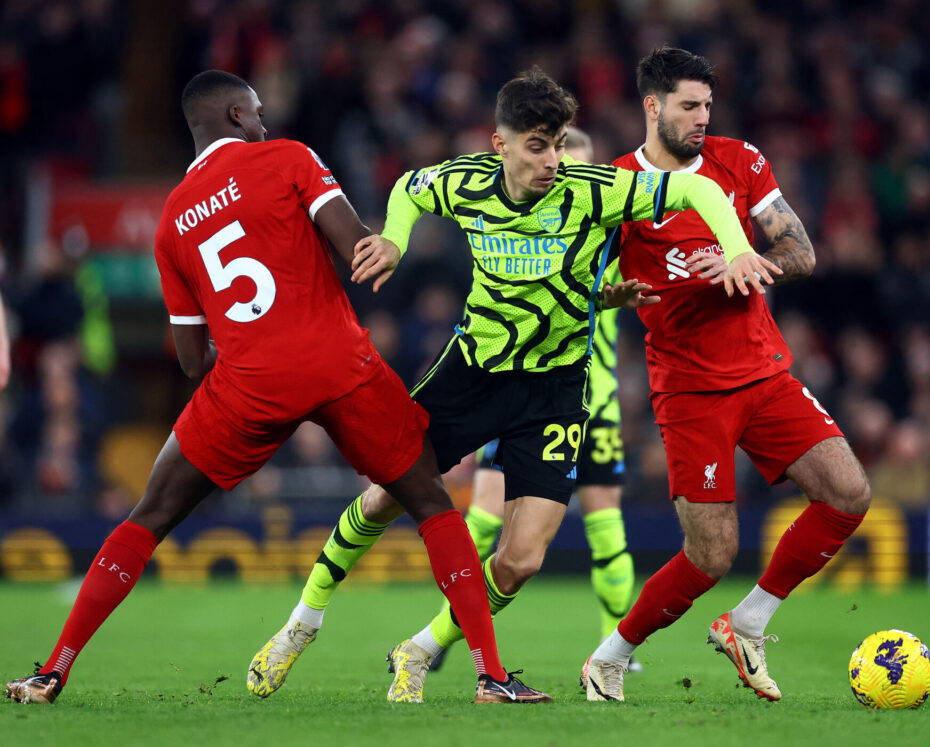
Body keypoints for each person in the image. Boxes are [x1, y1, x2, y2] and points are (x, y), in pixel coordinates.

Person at [4, 70, 548, 706]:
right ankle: (491, 676)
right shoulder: (289, 157)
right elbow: (356, 248)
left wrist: (241, 345)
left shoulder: (172, 220)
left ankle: (52, 673)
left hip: (250, 382)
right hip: (338, 363)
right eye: (256, 112)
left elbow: (187, 358)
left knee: (148, 515)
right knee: (429, 503)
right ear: (236, 114)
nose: (263, 121)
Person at [248, 67, 778, 704]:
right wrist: (392, 240)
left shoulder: (595, 190)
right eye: (537, 145)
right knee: (388, 495)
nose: (553, 159)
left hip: (554, 389)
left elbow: (700, 195)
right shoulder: (464, 181)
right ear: (500, 145)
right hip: (473, 373)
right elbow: (409, 189)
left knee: (523, 559)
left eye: (557, 143)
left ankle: (419, 649)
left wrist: (736, 247)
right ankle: (301, 624)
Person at [581, 46, 871, 703]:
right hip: (688, 387)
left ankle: (748, 622)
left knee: (848, 494)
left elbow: (801, 248)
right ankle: (608, 657)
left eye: (707, 104)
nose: (702, 117)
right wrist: (613, 296)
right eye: (689, 105)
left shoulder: (741, 161)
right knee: (712, 553)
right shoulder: (618, 189)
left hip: (763, 371)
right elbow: (579, 287)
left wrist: (756, 264)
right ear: (652, 107)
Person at [429, 126, 639, 674]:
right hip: (523, 389)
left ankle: (613, 650)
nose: (570, 171)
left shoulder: (620, 236)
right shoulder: (535, 225)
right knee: (481, 521)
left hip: (595, 398)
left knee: (605, 527)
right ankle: (449, 632)